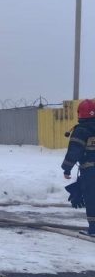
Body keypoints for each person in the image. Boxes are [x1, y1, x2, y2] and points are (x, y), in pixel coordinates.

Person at [62, 98, 95, 237]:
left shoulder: (81, 131)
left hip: (90, 172)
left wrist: (67, 168)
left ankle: (93, 229)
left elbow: (74, 151)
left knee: (91, 198)